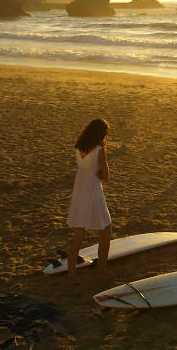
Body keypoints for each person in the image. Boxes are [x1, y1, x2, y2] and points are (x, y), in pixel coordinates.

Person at [65, 118, 112, 283]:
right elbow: (106, 176)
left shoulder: (79, 148)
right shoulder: (99, 150)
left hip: (80, 191)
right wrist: (99, 174)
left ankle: (71, 274)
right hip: (93, 192)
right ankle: (102, 271)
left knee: (79, 235)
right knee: (106, 231)